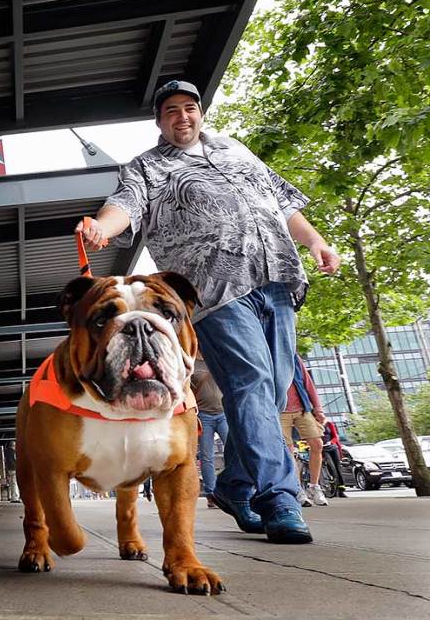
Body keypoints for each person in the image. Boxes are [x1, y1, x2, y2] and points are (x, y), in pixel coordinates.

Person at [77, 79, 341, 544]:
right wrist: (100, 226)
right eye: (172, 110)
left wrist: (316, 241)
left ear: (200, 113)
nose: (183, 116)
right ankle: (279, 497)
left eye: (190, 107)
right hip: (216, 290)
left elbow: (279, 203)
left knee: (273, 391)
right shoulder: (149, 167)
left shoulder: (237, 150)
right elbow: (124, 206)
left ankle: (236, 487)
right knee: (252, 384)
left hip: (276, 278)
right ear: (160, 121)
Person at [281, 355, 329, 506]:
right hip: (280, 410)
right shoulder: (266, 354)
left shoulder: (293, 357)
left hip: (303, 408)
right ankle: (297, 490)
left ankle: (314, 487)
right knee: (289, 451)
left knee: (317, 444)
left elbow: (308, 383)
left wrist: (318, 409)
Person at [192, 356, 228, 508]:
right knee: (207, 456)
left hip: (223, 413)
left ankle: (237, 489)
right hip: (204, 415)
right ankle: (211, 494)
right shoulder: (192, 363)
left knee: (234, 452)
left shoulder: (216, 357)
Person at [322, 420, 348, 497]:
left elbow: (335, 436)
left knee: (337, 467)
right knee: (331, 467)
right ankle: (332, 487)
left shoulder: (329, 423)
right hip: (323, 448)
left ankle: (341, 489)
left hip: (332, 447)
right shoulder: (314, 424)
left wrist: (331, 442)